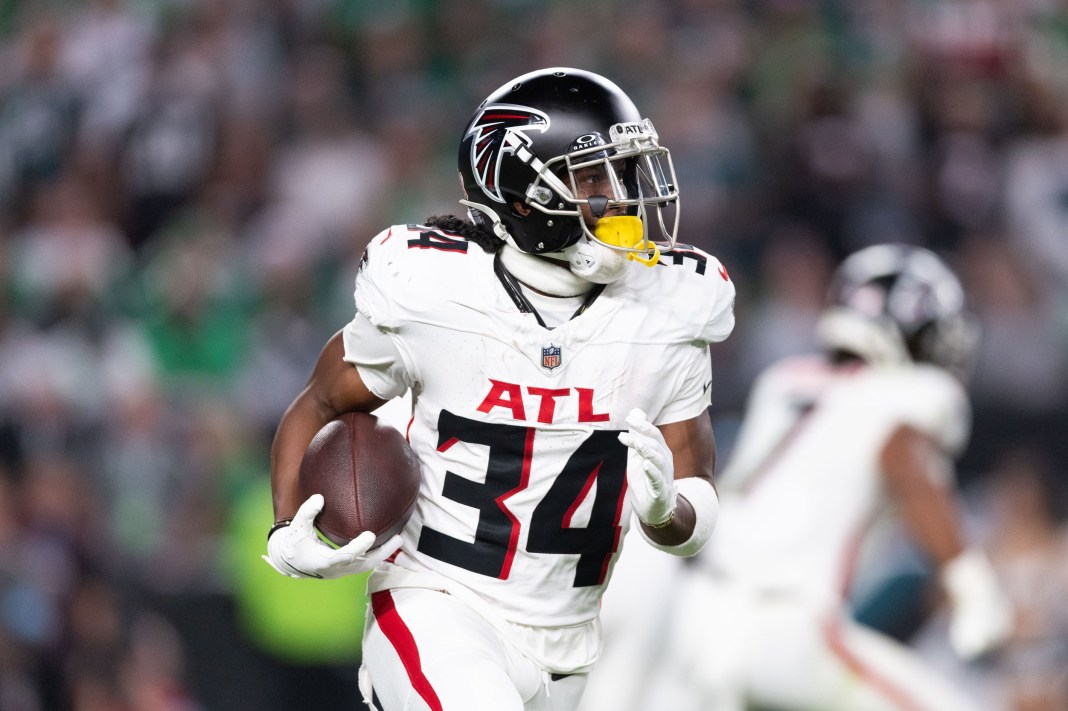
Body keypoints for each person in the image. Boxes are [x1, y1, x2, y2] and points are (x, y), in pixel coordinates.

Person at [260, 66, 736, 711]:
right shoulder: (436, 292)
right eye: (593, 178)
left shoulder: (669, 309)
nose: (623, 197)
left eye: (624, 174)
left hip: (568, 648)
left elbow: (694, 505)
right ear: (521, 192)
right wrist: (287, 527)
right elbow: (320, 402)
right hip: (438, 606)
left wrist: (663, 512)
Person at [631, 243, 1012, 711]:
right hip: (785, 623)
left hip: (692, 617)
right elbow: (903, 459)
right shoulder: (912, 394)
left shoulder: (785, 380)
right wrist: (973, 588)